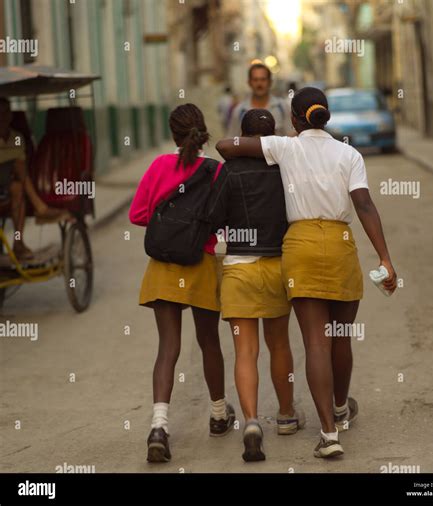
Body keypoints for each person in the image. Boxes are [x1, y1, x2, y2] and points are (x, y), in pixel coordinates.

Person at [216, 87, 397, 459]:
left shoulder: (285, 147)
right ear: (326, 116)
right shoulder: (349, 154)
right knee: (341, 338)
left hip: (299, 248)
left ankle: (329, 435)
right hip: (341, 243)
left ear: (296, 119)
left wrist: (257, 140)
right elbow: (363, 204)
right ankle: (342, 408)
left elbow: (226, 145)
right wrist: (385, 259)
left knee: (316, 342)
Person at [129, 103, 235, 463]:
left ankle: (159, 427)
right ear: (202, 131)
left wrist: (169, 225)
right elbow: (225, 220)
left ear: (172, 132)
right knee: (209, 343)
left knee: (167, 348)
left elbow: (138, 214)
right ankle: (219, 415)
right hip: (201, 263)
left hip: (162, 264)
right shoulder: (217, 172)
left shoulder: (159, 166)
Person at [208, 109, 305, 462]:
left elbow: (213, 216)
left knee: (244, 351)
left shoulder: (228, 172)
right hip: (279, 265)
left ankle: (250, 423)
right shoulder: (286, 169)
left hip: (239, 268)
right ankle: (285, 415)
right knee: (280, 345)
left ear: (242, 136)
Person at [0, 97, 72, 260]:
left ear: (11, 115)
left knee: (18, 185)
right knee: (18, 168)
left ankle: (18, 243)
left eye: (5, 112)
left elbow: (20, 167)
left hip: (6, 187)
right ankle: (40, 206)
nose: (2, 117)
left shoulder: (16, 138)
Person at [226, 63, 292, 137]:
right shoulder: (239, 111)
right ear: (249, 82)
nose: (259, 84)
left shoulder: (282, 107)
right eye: (255, 80)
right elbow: (232, 140)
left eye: (263, 79)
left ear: (270, 82)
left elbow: (290, 137)